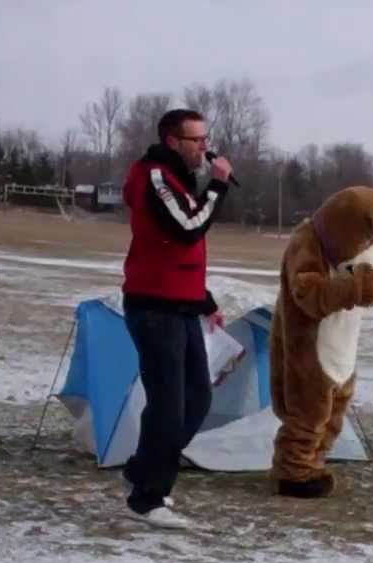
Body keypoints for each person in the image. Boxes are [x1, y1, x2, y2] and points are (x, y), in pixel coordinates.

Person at [118, 108, 233, 529]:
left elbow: (176, 254)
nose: (205, 146)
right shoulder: (154, 177)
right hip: (153, 308)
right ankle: (147, 498)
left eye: (206, 138)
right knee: (168, 407)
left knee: (197, 400)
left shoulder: (178, 179)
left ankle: (141, 468)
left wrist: (205, 300)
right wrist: (218, 185)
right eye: (196, 139)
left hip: (181, 305)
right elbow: (188, 228)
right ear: (172, 141)